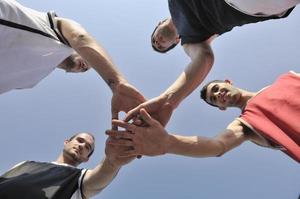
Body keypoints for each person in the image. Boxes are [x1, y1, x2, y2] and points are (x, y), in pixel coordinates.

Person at [124, 0, 300, 127]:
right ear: (176, 42)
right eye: (161, 46)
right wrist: (168, 101)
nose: (158, 42)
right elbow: (204, 59)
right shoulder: (189, 40)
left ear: (159, 23)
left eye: (154, 40)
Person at [106, 71, 300, 163]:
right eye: (214, 99)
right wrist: (168, 143)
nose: (218, 95)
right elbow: (218, 145)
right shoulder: (246, 123)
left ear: (228, 81)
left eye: (216, 89)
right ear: (222, 108)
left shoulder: (286, 79)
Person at [0, 0, 145, 122]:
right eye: (88, 61)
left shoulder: (31, 80)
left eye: (84, 70)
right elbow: (79, 37)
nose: (84, 67)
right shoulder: (52, 27)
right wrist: (118, 84)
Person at [0, 132, 135, 199]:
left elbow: (100, 177)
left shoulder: (78, 179)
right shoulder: (25, 164)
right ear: (66, 142)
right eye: (80, 140)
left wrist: (113, 160)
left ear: (87, 158)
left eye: (87, 147)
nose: (82, 145)